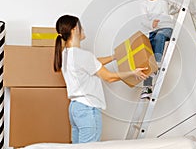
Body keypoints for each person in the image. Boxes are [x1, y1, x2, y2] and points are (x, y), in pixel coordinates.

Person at [53, 15, 148, 143]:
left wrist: (114, 57)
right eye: (82, 27)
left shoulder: (65, 54)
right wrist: (132, 73)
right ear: (75, 29)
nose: (84, 30)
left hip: (75, 109)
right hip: (88, 109)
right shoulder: (83, 55)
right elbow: (109, 77)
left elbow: (93, 63)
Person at [140, 0, 175, 99]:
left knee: (160, 36)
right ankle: (147, 88)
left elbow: (175, 7)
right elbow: (143, 19)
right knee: (148, 56)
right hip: (153, 31)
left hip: (167, 30)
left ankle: (158, 63)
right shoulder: (144, 4)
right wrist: (151, 23)